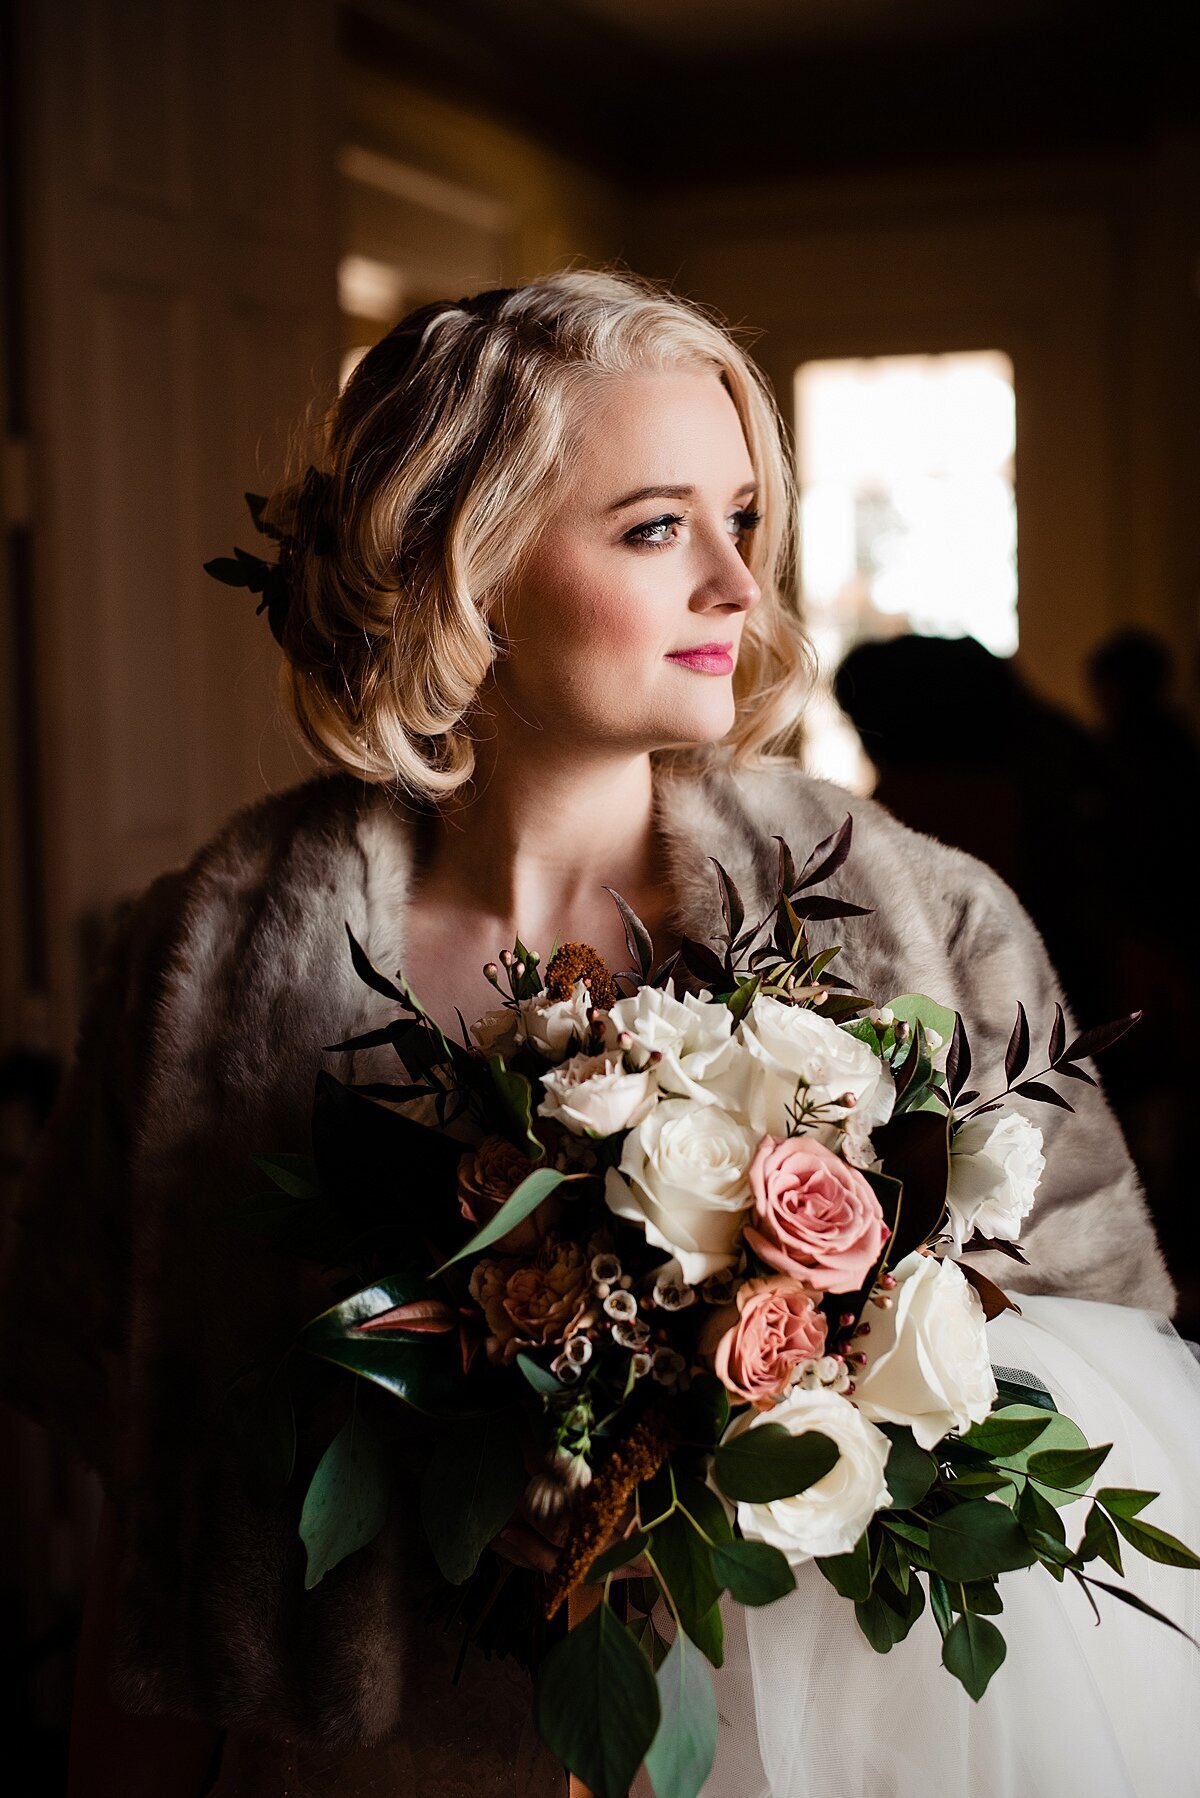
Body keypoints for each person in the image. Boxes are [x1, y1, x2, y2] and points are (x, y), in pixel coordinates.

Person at [1, 269, 1195, 1798]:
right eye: (655, 527)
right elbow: (143, 1532)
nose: (737, 586)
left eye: (744, 520)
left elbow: (1094, 1486)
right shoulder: (211, 955)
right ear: (470, 568)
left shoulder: (923, 921)